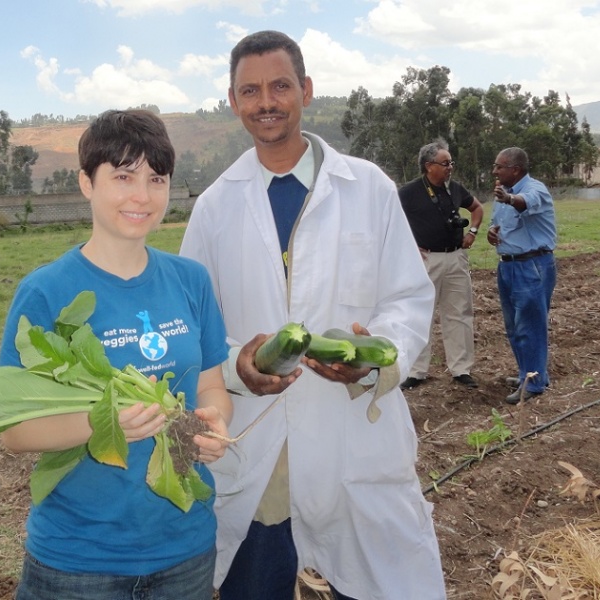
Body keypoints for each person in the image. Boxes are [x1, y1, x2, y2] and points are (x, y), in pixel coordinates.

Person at [180, 30, 446, 600]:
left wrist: (371, 357)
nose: (266, 102)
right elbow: (193, 322)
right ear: (233, 102)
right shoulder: (214, 207)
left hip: (351, 433)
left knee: (380, 581)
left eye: (280, 86)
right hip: (258, 441)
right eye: (250, 91)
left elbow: (409, 297)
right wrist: (235, 365)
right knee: (255, 582)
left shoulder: (367, 188)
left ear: (305, 90)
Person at [0, 109, 233, 600]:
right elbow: (13, 431)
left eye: (156, 179)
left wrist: (213, 425)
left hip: (185, 548)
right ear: (87, 182)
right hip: (79, 561)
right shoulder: (46, 291)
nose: (142, 196)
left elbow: (210, 383)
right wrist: (106, 425)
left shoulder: (191, 280)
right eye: (123, 176)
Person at [398, 139, 484, 390]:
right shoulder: (409, 192)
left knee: (459, 313)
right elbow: (389, 220)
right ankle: (416, 370)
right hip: (426, 260)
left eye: (451, 163)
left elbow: (476, 208)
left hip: (456, 257)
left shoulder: (455, 189)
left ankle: (461, 369)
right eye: (445, 163)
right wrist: (409, 246)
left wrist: (473, 232)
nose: (450, 167)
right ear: (428, 166)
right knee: (420, 315)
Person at [487, 146, 557, 404]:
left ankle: (534, 383)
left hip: (532, 266)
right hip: (508, 265)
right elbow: (498, 224)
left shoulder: (534, 189)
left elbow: (525, 203)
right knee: (514, 327)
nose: (494, 171)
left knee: (530, 326)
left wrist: (508, 199)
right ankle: (527, 374)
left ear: (515, 169)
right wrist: (492, 234)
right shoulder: (501, 195)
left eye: (498, 166)